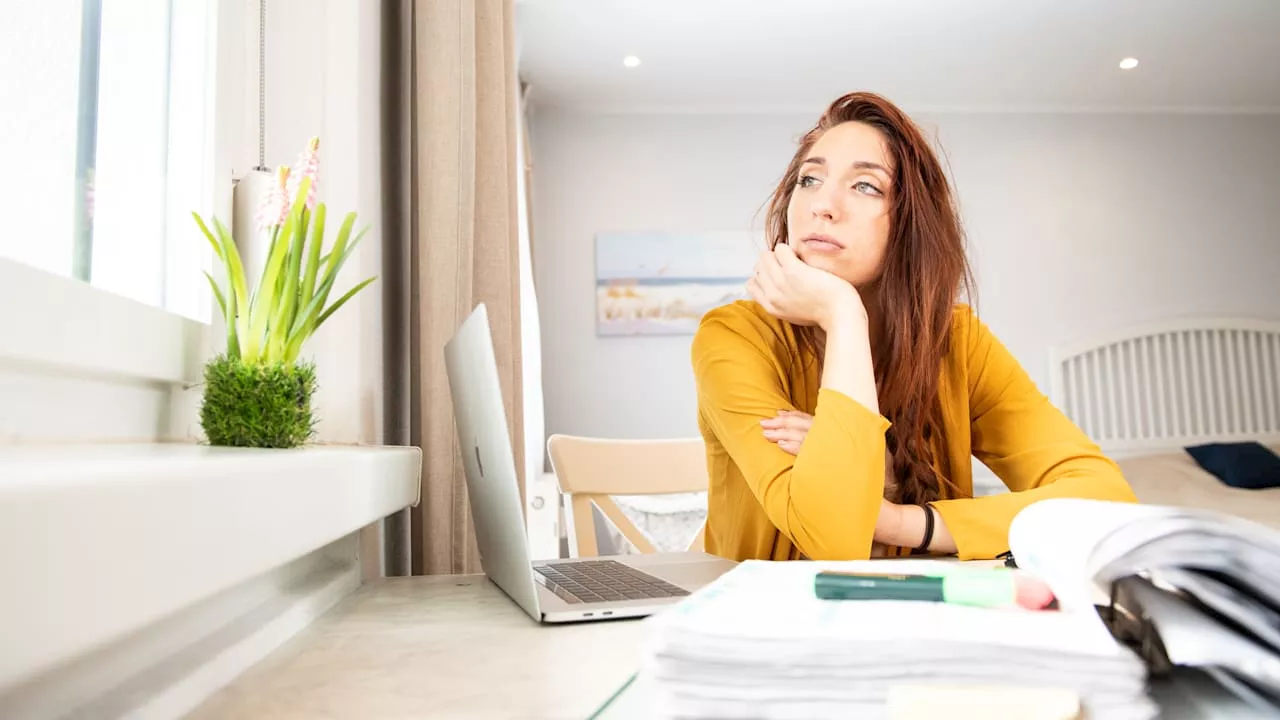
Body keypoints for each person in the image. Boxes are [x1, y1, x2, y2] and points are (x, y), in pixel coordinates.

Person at [691, 91, 1136, 562]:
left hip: (930, 616)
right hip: (767, 622)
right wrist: (844, 314)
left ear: (911, 223)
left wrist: (900, 519)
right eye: (809, 179)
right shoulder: (733, 338)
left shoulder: (958, 341)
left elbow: (1107, 501)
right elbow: (834, 541)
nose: (822, 204)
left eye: (865, 186)